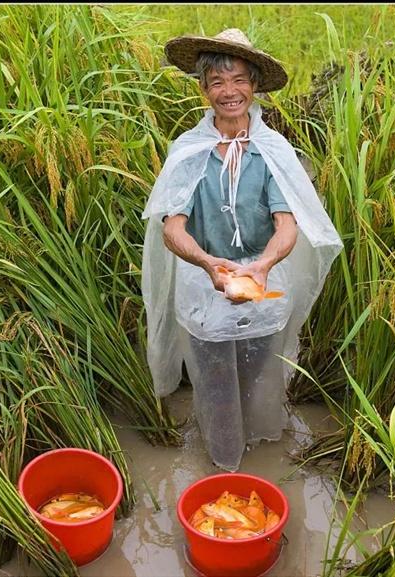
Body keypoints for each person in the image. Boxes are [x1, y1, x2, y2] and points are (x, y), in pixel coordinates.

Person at [142, 28, 342, 471]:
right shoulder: (189, 151)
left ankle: (262, 451)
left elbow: (287, 224)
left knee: (258, 372)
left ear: (254, 86)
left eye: (238, 81)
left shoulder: (273, 152)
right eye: (217, 81)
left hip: (263, 284)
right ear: (203, 90)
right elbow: (172, 229)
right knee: (214, 379)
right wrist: (209, 262)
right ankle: (225, 460)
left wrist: (265, 265)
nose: (229, 92)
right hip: (204, 286)